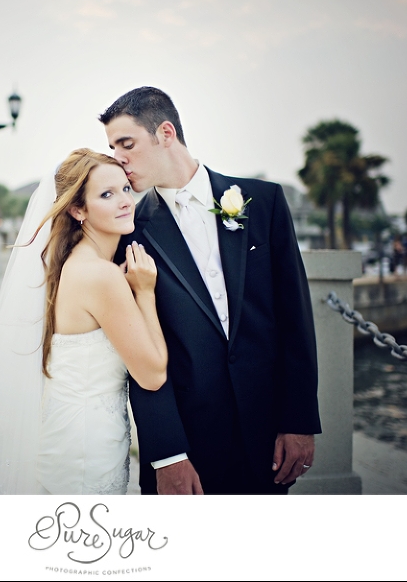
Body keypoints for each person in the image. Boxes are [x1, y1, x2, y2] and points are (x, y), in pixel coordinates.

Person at [100, 86, 321, 495]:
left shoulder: (264, 201)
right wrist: (167, 455)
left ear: (166, 133)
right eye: (113, 148)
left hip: (267, 437)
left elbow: (295, 320)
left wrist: (299, 421)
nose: (118, 159)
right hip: (188, 446)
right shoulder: (129, 232)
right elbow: (138, 353)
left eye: (126, 144)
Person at [0, 148, 167, 494]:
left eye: (125, 190)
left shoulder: (68, 266)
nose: (124, 202)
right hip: (87, 447)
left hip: (66, 434)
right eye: (107, 194)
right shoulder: (100, 276)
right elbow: (152, 374)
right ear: (77, 210)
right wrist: (145, 291)